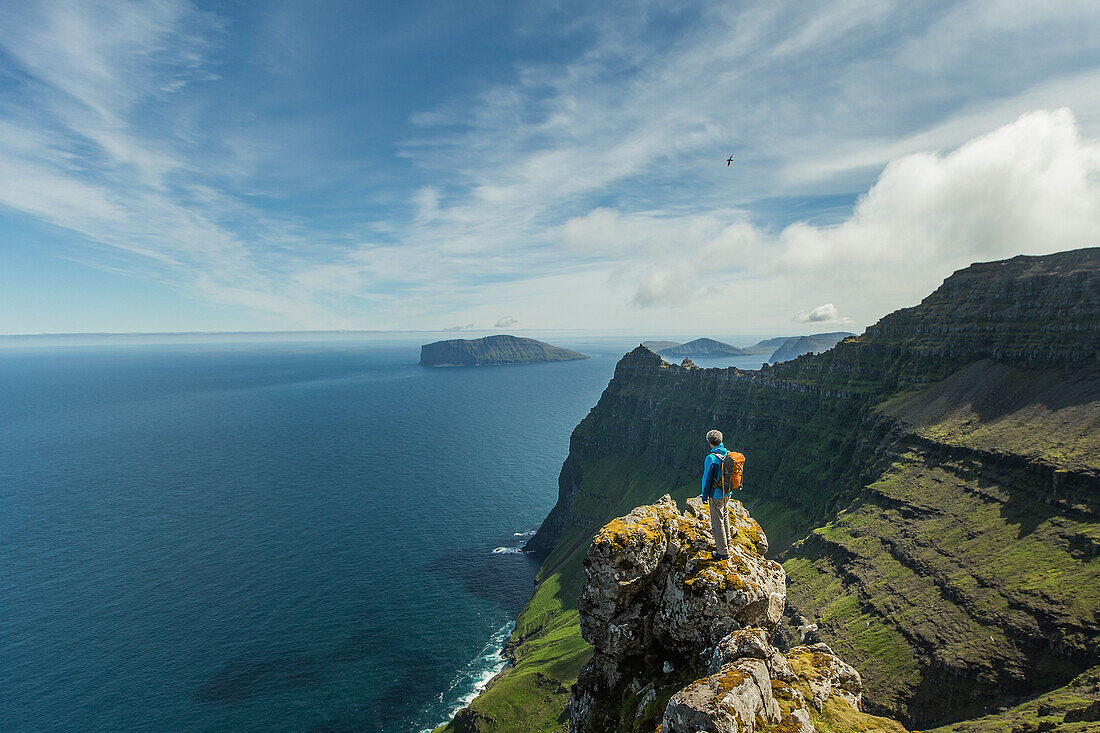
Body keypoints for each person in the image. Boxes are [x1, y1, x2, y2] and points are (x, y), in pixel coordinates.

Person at [701, 429, 734, 559]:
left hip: (716, 495)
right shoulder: (728, 454)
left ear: (709, 442)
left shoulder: (711, 458)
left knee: (717, 522)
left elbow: (707, 478)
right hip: (727, 492)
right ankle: (728, 540)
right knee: (724, 515)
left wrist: (704, 496)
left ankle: (722, 552)